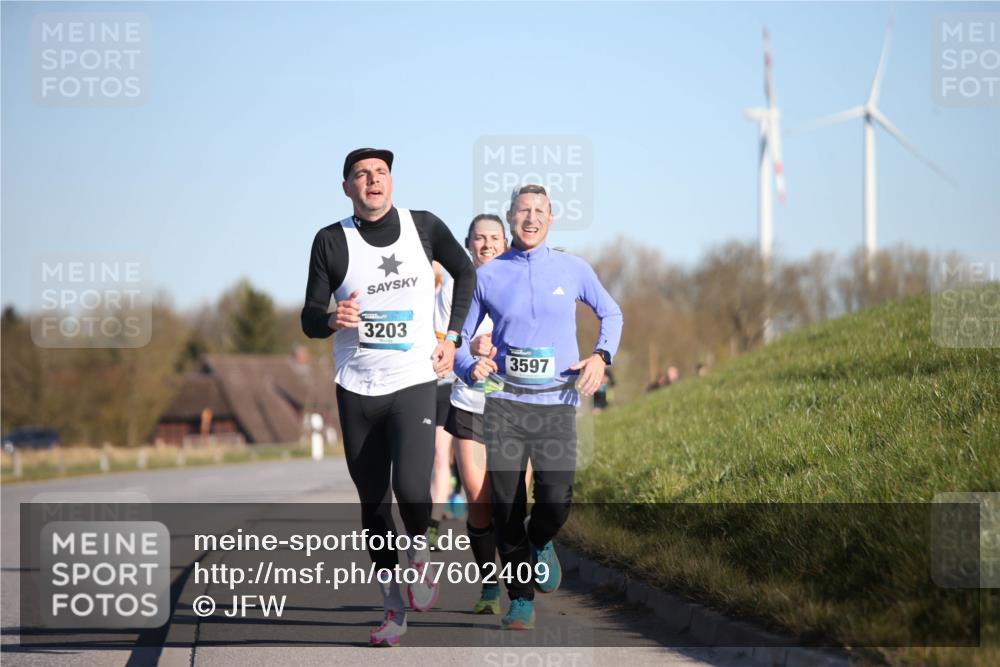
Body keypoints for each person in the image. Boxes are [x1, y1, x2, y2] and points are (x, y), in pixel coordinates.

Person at [300, 148, 476, 647]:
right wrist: (332, 318)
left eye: (380, 173)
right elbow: (310, 315)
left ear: (391, 182)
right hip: (356, 385)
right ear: (348, 188)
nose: (373, 181)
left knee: (413, 488)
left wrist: (452, 338)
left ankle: (419, 553)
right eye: (361, 175)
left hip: (414, 378)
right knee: (373, 506)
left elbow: (466, 274)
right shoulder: (332, 241)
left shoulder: (423, 227)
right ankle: (392, 611)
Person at [455, 185, 623, 630]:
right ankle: (521, 598)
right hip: (505, 404)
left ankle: (540, 541)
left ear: (551, 218)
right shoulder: (488, 276)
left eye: (539, 211)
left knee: (554, 499)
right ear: (510, 217)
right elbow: (457, 340)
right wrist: (469, 367)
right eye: (523, 210)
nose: (531, 218)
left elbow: (612, 314)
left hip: (555, 404)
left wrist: (600, 357)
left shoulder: (572, 268)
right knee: (506, 504)